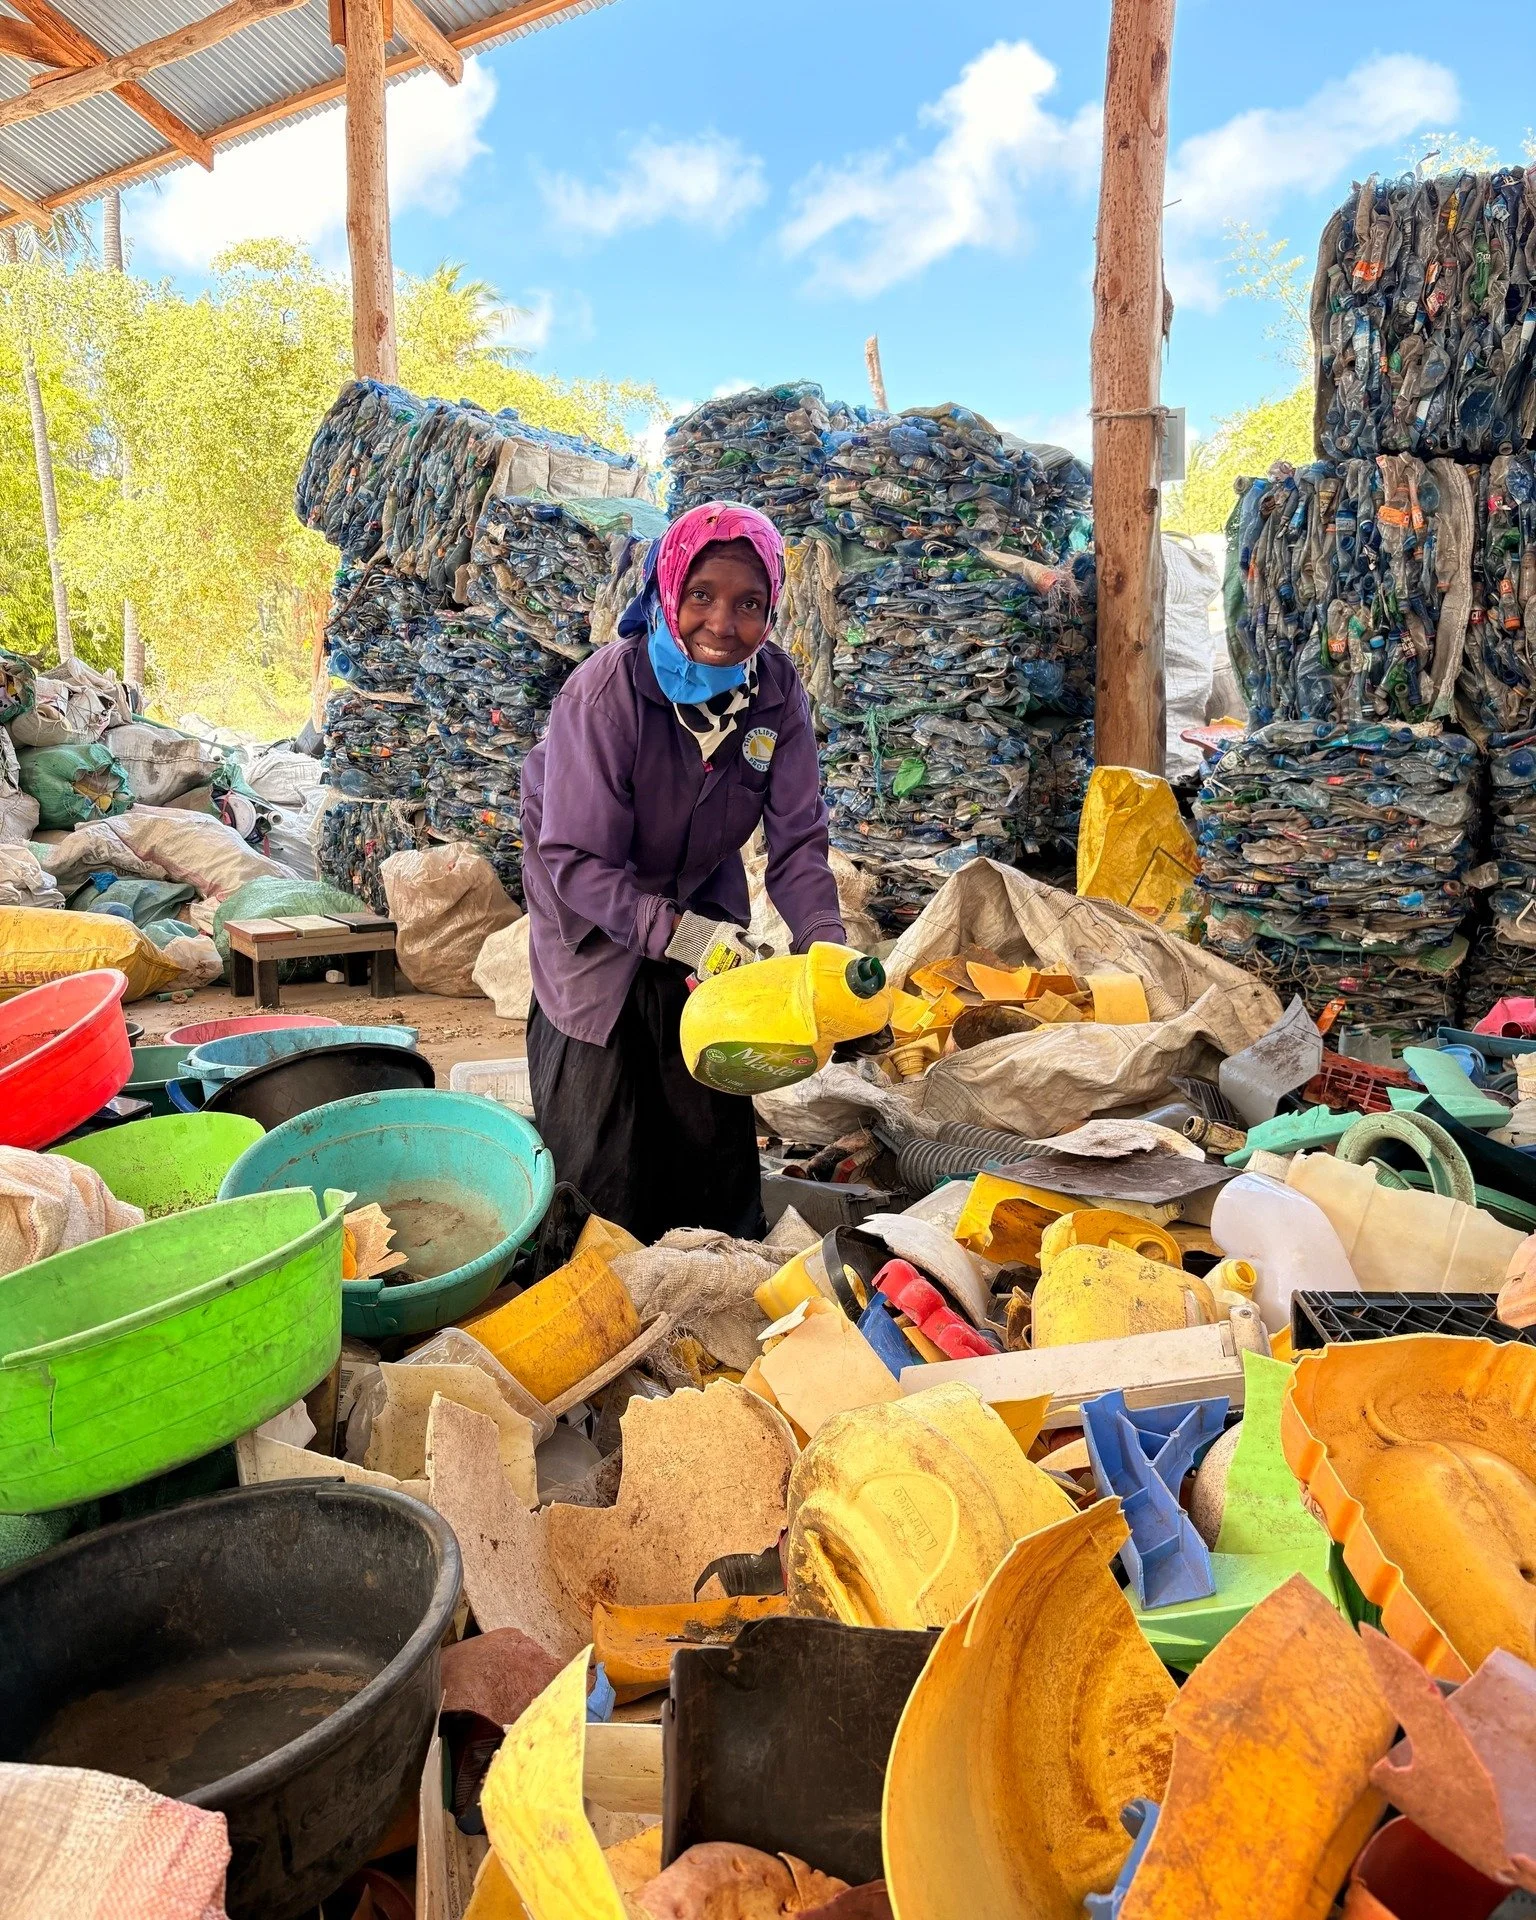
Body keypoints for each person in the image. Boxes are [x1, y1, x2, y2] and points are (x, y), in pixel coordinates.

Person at [518, 501, 846, 1243]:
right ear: (668, 591)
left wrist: (825, 943)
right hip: (590, 908)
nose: (722, 624)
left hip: (700, 890)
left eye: (749, 604)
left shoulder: (775, 694)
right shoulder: (608, 693)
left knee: (706, 1115)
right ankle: (601, 1275)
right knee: (605, 1146)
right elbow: (575, 856)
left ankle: (713, 1271)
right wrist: (675, 932)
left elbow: (797, 840)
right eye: (701, 595)